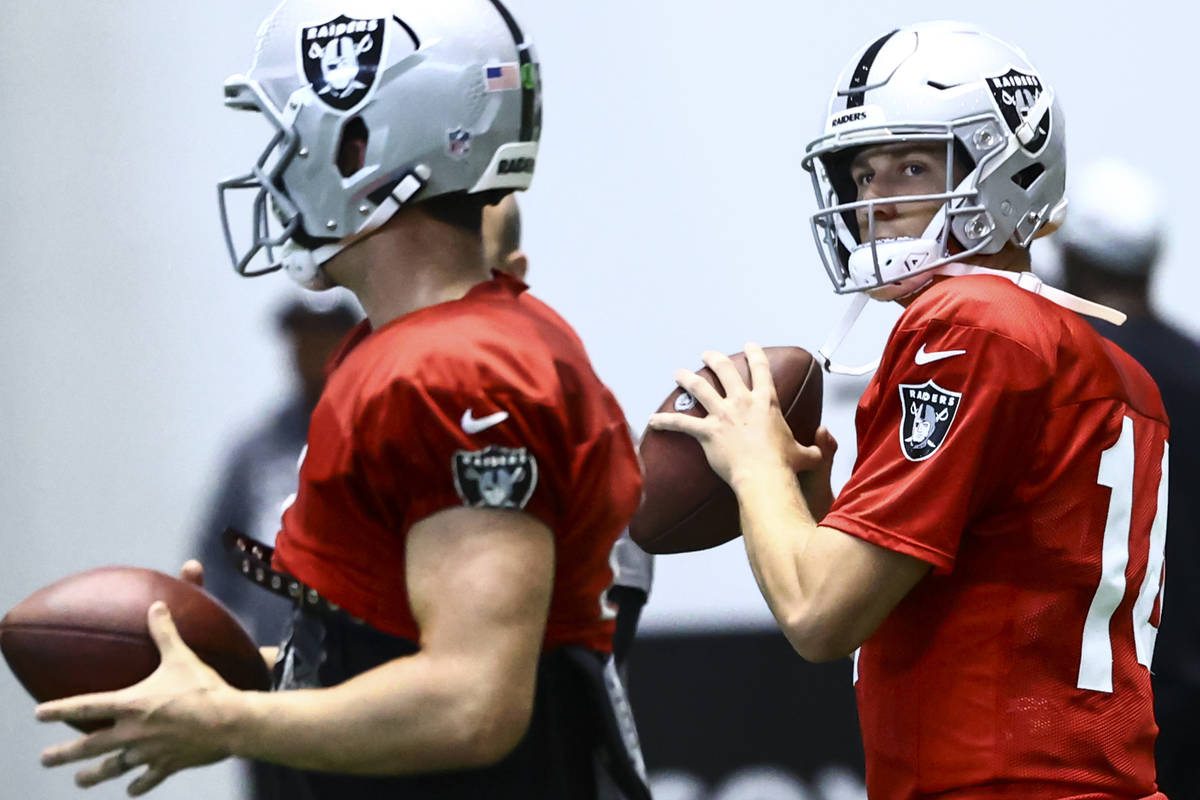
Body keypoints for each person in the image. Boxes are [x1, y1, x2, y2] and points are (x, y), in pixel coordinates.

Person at [35, 3, 649, 799]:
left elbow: (472, 703)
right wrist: (221, 676)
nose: (274, 168)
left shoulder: (453, 370)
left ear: (361, 148)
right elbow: (385, 647)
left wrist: (224, 724)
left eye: (286, 138)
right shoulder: (431, 347)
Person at [651, 22, 1168, 800]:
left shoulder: (967, 322)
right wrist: (815, 509)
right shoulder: (1113, 367)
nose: (876, 201)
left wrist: (752, 462)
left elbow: (820, 616)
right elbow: (977, 583)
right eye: (864, 174)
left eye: (914, 165)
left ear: (1009, 169)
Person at [1058, 160, 1200, 800]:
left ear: (1069, 254)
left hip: (1077, 698)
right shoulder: (1194, 370)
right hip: (1186, 687)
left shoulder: (1046, 368)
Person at [482, 195, 655, 673]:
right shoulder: (370, 373)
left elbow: (591, 665)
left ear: (511, 273)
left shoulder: (563, 400)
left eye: (468, 264)